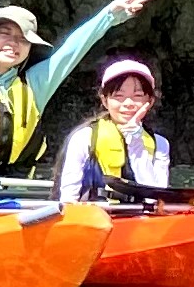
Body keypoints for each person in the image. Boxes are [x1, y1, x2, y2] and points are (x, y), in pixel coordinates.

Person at [0, 0, 161, 181]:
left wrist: (110, 15)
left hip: (17, 191)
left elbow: (70, 52)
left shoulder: (35, 85)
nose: (13, 43)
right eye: (5, 34)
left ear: (29, 48)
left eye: (22, 39)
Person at [53, 58, 176, 203]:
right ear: (105, 100)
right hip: (95, 218)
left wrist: (136, 143)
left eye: (137, 96)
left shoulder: (160, 144)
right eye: (119, 96)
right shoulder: (84, 138)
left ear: (149, 101)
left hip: (140, 219)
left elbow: (155, 199)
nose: (128, 104)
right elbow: (68, 198)